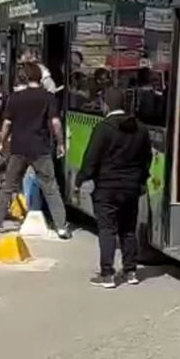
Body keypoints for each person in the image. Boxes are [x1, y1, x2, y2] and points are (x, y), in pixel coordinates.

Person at [74, 88, 153, 288]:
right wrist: (141, 180)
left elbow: (91, 158)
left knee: (107, 229)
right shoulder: (141, 129)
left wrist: (80, 179)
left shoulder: (104, 128)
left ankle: (107, 274)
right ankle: (131, 271)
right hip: (131, 188)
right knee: (128, 230)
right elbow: (147, 158)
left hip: (107, 188)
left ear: (106, 105)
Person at [0, 61, 70, 239]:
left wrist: (1, 141)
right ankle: (61, 226)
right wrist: (61, 143)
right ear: (39, 77)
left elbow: (7, 123)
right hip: (40, 148)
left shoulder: (15, 98)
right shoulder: (48, 97)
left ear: (23, 77)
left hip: (18, 147)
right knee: (50, 187)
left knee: (9, 186)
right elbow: (55, 123)